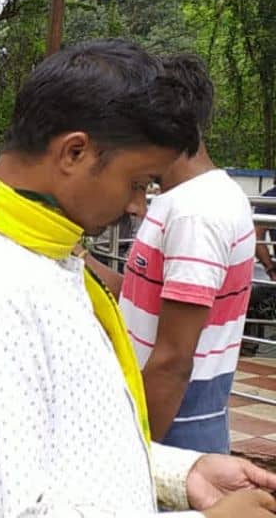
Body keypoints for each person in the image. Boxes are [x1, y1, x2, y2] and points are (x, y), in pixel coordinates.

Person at [0, 40, 276, 516]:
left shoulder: (38, 251)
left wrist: (182, 475)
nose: (139, 206)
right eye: (138, 182)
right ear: (74, 152)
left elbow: (72, 441)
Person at [104, 54, 256, 453]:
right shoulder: (177, 201)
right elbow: (145, 301)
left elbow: (173, 357)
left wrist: (138, 457)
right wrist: (79, 259)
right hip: (161, 410)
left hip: (175, 425)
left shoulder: (197, 214)